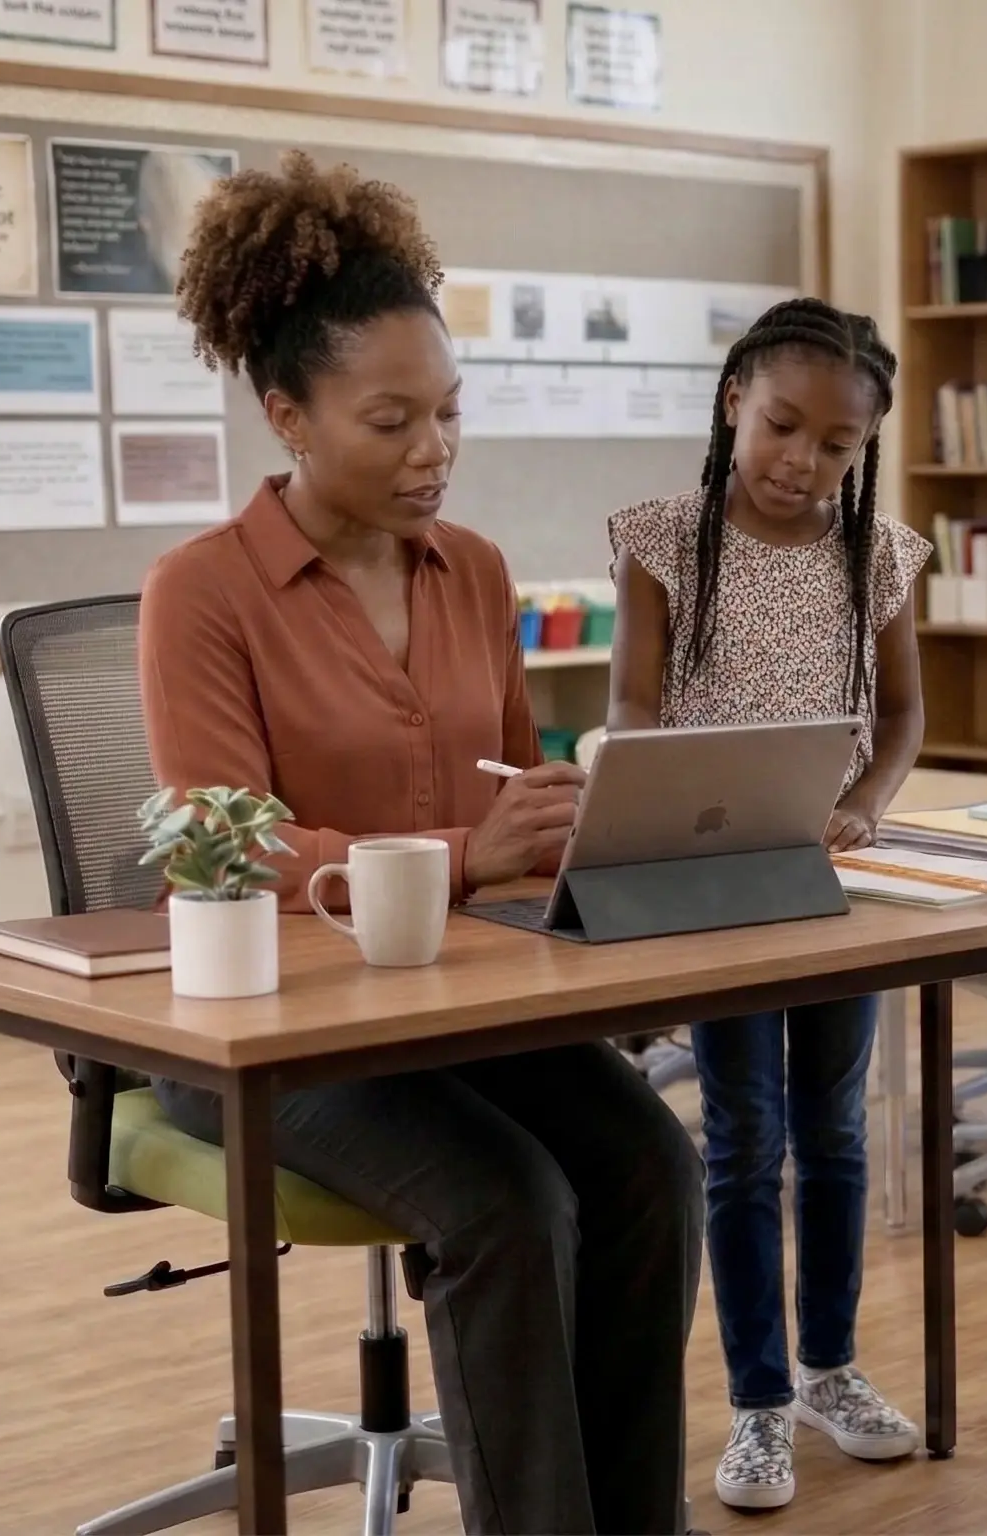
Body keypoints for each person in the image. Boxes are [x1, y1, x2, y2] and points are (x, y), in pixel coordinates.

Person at [136, 149, 703, 1536]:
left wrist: (571, 828)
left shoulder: (479, 571)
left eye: (448, 414)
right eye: (390, 421)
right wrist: (460, 854)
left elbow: (502, 808)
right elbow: (225, 845)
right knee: (507, 1202)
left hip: (459, 1003)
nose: (432, 450)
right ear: (288, 417)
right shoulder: (200, 595)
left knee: (650, 1167)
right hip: (270, 1030)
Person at [604, 297, 930, 1512]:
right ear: (734, 396)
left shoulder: (880, 556)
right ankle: (753, 1404)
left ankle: (828, 1370)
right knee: (744, 1143)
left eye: (837, 444)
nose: (804, 461)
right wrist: (684, 790)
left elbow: (898, 719)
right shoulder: (659, 539)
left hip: (827, 885)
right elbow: (632, 709)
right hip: (714, 884)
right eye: (784, 425)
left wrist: (867, 802)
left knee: (834, 1134)